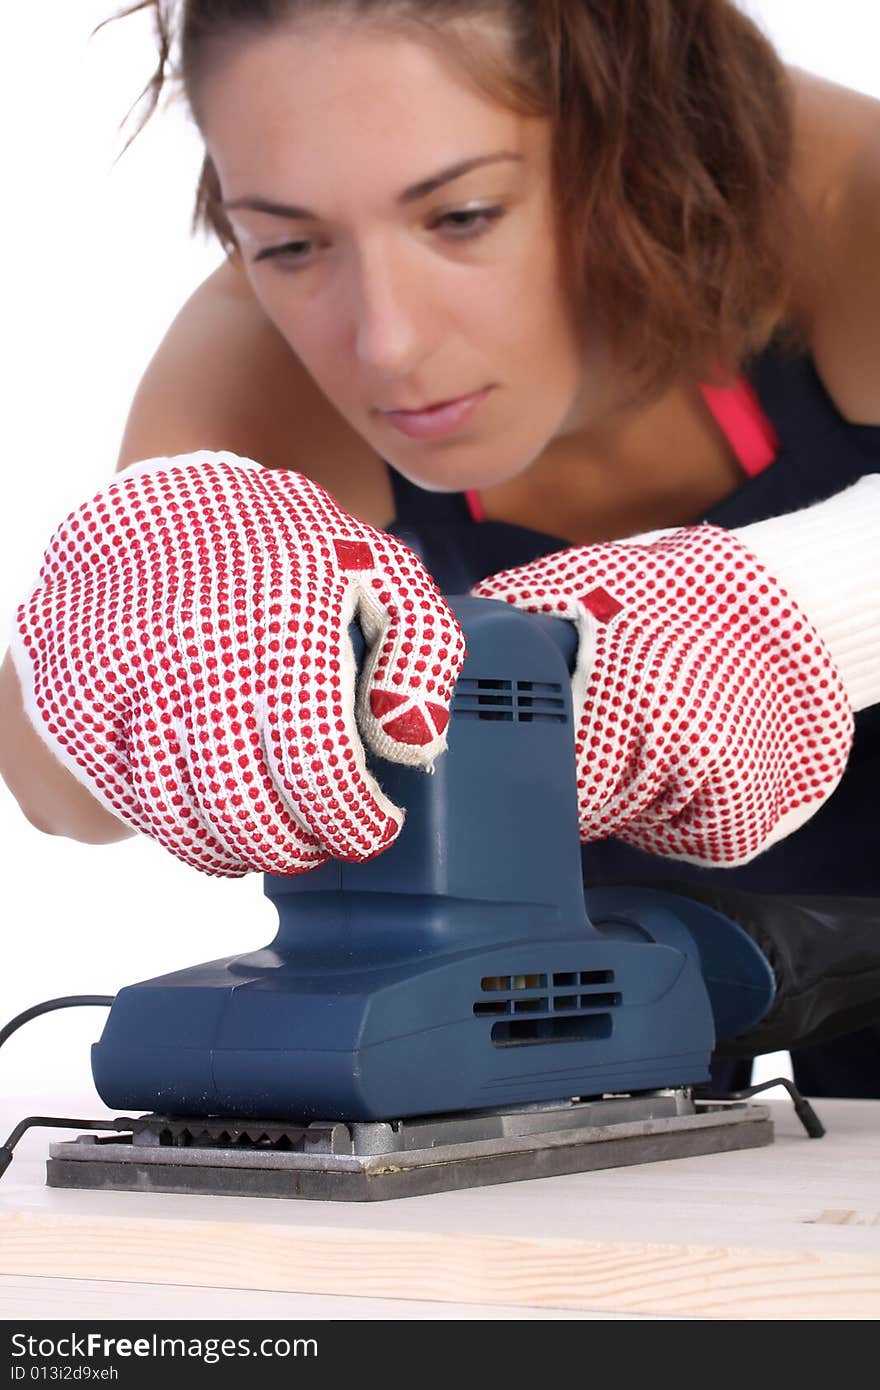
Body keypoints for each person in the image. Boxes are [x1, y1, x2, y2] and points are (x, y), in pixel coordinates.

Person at [1, 0, 878, 1092]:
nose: (386, 342)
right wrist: (134, 634)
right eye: (287, 240)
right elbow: (51, 791)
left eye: (460, 215)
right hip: (596, 1017)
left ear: (637, 136)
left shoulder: (850, 201)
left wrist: (803, 601)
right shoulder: (258, 351)